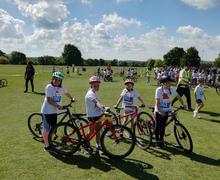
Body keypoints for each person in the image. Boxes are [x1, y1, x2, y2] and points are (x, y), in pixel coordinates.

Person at [41, 71, 75, 152]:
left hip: (54, 111)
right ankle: (47, 146)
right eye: (55, 79)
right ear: (52, 79)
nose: (57, 81)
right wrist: (58, 106)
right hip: (47, 111)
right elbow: (49, 100)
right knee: (46, 129)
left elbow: (66, 93)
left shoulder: (61, 87)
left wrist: (71, 98)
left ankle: (50, 141)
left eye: (59, 80)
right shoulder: (49, 87)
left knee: (53, 128)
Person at [155, 75, 186, 148]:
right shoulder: (159, 90)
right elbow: (157, 101)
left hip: (168, 109)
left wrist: (183, 104)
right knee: (158, 126)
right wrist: (159, 111)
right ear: (164, 83)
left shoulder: (172, 89)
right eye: (169, 82)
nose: (170, 83)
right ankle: (157, 141)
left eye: (170, 82)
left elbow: (178, 96)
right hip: (160, 110)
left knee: (163, 126)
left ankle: (161, 140)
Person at [85, 76, 105, 155]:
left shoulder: (94, 92)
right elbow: (96, 103)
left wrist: (104, 107)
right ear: (91, 85)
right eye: (95, 85)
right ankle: (85, 144)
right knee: (91, 131)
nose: (97, 87)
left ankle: (98, 145)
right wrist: (103, 109)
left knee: (98, 131)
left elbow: (98, 103)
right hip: (92, 116)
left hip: (98, 114)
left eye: (98, 85)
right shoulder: (90, 94)